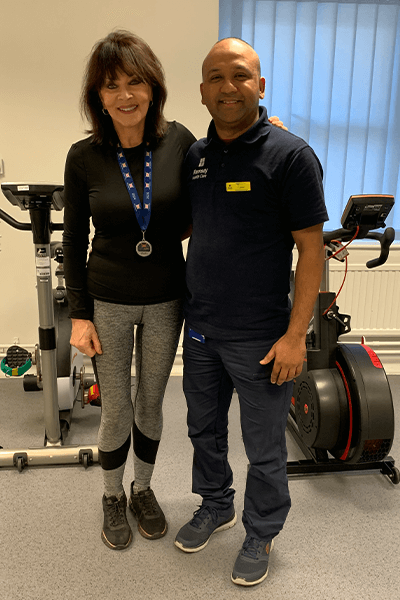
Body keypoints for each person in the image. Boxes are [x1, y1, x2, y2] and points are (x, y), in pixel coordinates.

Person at [174, 38, 328, 587]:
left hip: (262, 336)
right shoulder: (195, 156)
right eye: (215, 77)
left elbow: (311, 248)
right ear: (202, 91)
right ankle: (217, 505)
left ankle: (261, 529)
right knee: (202, 430)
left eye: (239, 76)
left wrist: (295, 337)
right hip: (202, 330)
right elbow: (196, 226)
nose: (227, 87)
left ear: (259, 86)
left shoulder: (290, 155)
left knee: (263, 447)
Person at [62, 30, 197, 550]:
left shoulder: (180, 141)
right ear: (98, 95)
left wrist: (264, 130)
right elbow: (74, 239)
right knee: (116, 405)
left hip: (167, 296)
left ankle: (144, 487)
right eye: (111, 85)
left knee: (151, 400)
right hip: (108, 299)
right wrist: (79, 314)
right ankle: (112, 493)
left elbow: (219, 176)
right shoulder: (84, 156)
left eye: (134, 81)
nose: (125, 95)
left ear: (153, 87)